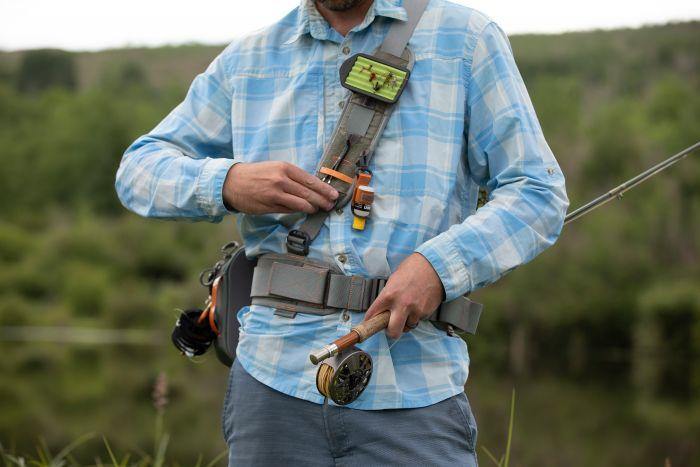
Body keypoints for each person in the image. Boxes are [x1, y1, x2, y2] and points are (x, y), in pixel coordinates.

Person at [116, 0, 568, 465]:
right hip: (270, 388)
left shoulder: (468, 39)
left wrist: (438, 268)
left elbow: (538, 192)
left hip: (417, 391)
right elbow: (137, 171)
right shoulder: (248, 60)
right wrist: (228, 183)